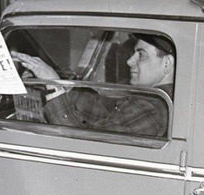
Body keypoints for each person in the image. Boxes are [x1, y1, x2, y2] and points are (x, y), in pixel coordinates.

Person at [12, 35, 176, 138]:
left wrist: (53, 86)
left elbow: (81, 144)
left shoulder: (153, 108)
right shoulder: (150, 98)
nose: (129, 61)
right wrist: (57, 83)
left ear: (167, 64)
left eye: (141, 55)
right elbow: (103, 109)